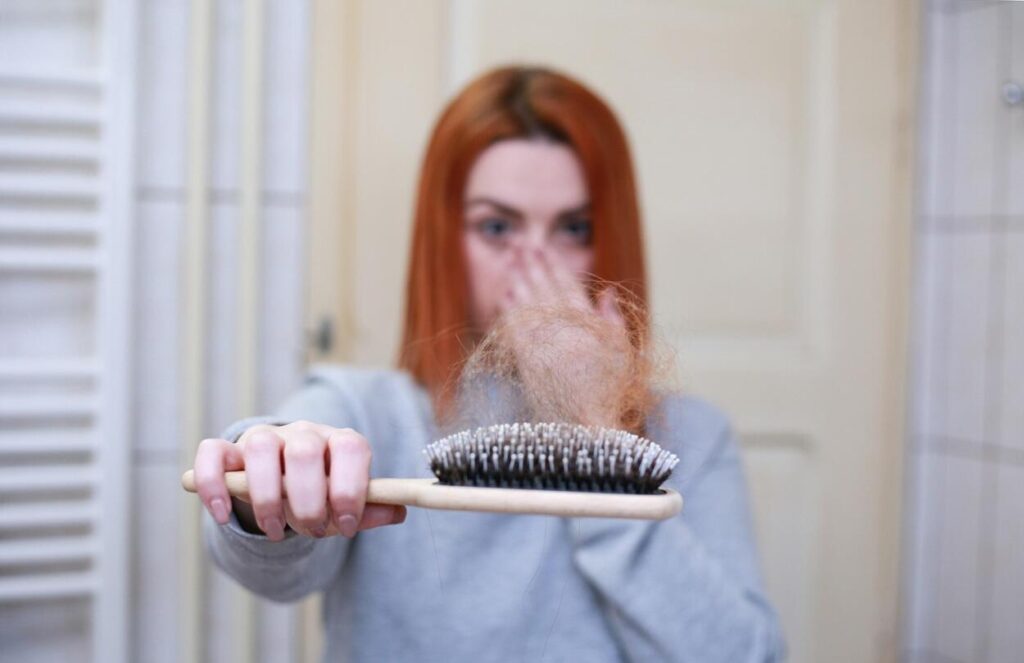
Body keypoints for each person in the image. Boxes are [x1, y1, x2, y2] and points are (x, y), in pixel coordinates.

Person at [194, 65, 786, 662]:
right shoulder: (365, 413)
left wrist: (598, 435)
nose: (536, 264)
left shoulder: (694, 438)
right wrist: (263, 484)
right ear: (444, 239)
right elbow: (269, 565)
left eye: (574, 228)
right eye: (497, 226)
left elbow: (747, 655)